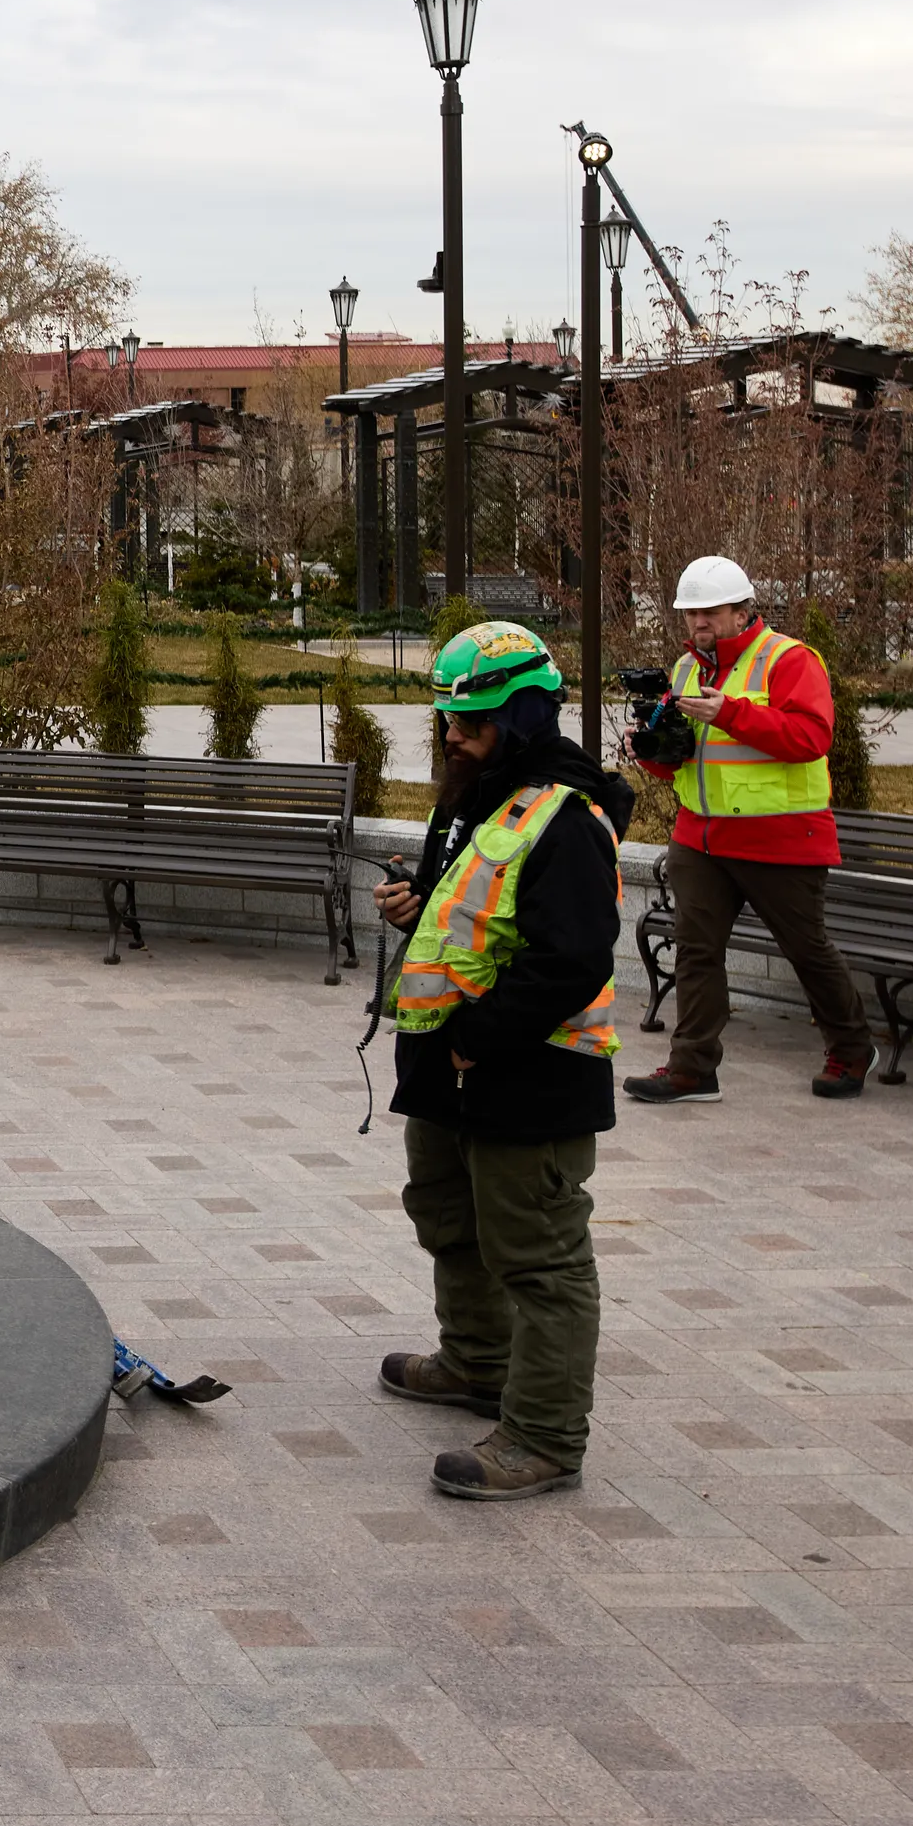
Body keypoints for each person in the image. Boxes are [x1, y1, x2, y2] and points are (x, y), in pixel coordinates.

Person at [369, 621, 629, 1502]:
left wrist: (479, 1038)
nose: (453, 736)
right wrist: (416, 908)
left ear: (519, 719)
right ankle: (477, 1361)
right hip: (453, 1069)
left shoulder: (568, 816)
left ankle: (546, 1437)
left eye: (471, 723)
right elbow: (475, 915)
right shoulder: (481, 795)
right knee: (450, 1217)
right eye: (447, 719)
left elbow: (573, 958)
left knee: (540, 1257)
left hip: (529, 1074)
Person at [623, 554, 874, 1103]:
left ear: (742, 611)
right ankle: (691, 1068)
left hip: (779, 838)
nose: (698, 624)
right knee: (694, 951)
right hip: (701, 838)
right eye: (689, 614)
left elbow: (811, 738)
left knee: (806, 949)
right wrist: (649, 751)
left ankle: (852, 1048)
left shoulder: (789, 660)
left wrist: (731, 713)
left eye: (709, 612)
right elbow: (685, 762)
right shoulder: (687, 668)